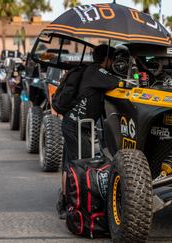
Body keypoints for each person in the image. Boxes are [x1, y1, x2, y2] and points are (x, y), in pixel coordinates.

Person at [56, 44, 120, 219]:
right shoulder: (96, 72)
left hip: (74, 123)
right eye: (113, 59)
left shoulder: (92, 71)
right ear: (107, 59)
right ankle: (71, 205)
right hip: (76, 125)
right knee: (77, 165)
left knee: (69, 164)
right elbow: (118, 83)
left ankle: (65, 201)